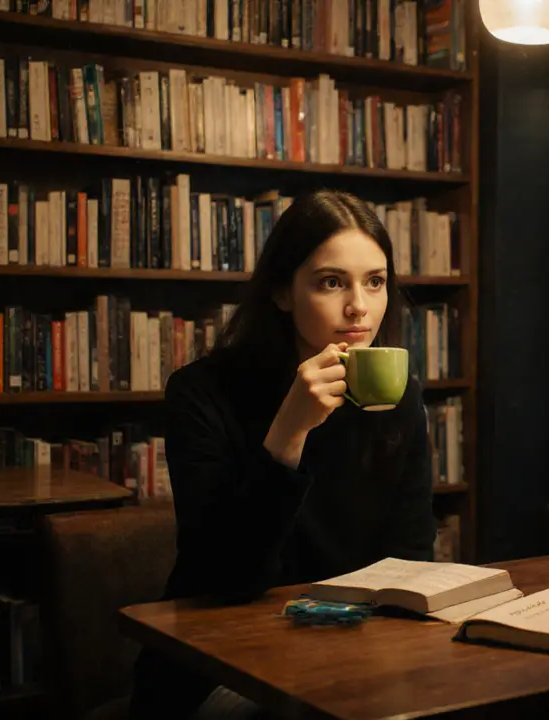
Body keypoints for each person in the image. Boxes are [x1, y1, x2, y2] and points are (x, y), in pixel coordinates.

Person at [128, 189, 435, 719]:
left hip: (353, 656)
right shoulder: (203, 392)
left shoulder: (396, 394)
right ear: (282, 292)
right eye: (331, 282)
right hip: (217, 664)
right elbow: (226, 579)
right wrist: (289, 432)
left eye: (375, 281)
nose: (359, 305)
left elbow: (410, 558)